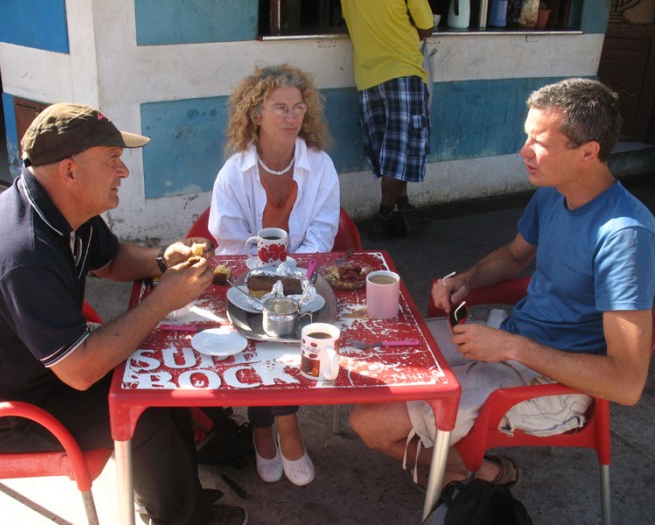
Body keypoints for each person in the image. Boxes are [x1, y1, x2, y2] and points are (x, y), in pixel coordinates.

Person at [349, 78, 655, 489]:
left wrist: (513, 347)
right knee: (374, 358)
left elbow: (626, 383)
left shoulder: (625, 236)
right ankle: (471, 466)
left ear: (588, 152)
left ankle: (482, 472)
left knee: (368, 423)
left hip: (554, 382)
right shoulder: (554, 191)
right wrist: (467, 280)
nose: (523, 151)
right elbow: (514, 257)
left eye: (540, 143)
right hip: (510, 339)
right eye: (527, 136)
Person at [0, 103, 247, 525]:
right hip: (1, 413)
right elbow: (80, 371)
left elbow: (112, 261)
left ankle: (178, 493)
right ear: (69, 171)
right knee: (146, 402)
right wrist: (163, 299)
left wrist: (163, 259)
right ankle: (181, 518)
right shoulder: (24, 251)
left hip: (37, 372)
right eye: (112, 161)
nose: (123, 173)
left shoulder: (61, 208)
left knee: (160, 372)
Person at [208, 64, 340, 486]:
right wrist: (265, 281)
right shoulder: (234, 173)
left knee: (290, 332)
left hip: (304, 277)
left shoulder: (319, 166)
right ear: (256, 114)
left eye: (298, 107)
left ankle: (272, 426)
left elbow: (321, 237)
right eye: (279, 107)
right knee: (255, 337)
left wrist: (287, 281)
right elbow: (229, 244)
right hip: (248, 281)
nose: (291, 116)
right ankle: (279, 426)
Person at [341, 0, 434, 240]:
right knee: (399, 154)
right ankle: (382, 219)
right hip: (403, 71)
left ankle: (405, 211)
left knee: (390, 152)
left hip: (368, 78)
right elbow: (427, 28)